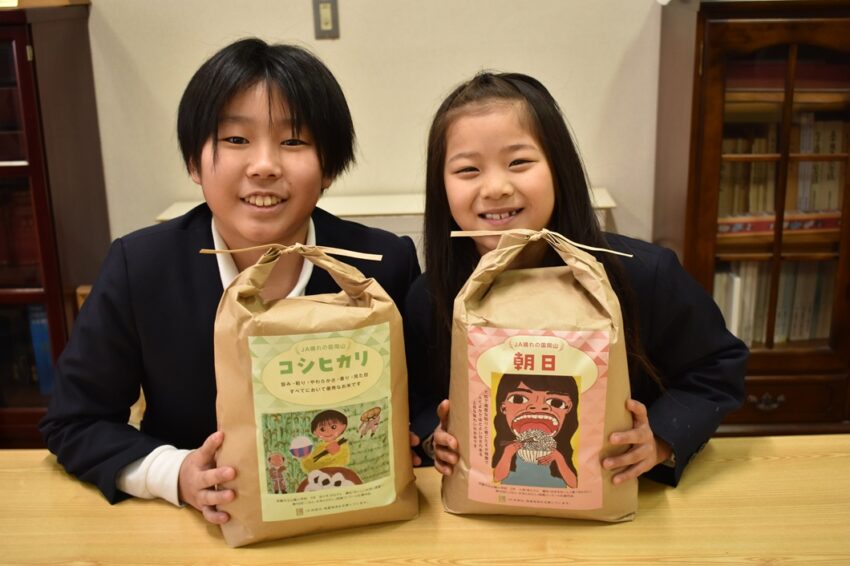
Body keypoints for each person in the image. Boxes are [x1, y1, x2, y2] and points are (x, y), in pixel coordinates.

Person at [39, 38, 421, 525]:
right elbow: (76, 421)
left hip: (355, 519)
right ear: (193, 162)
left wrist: (427, 432)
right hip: (202, 528)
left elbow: (425, 405)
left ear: (328, 166)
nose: (264, 165)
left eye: (293, 141)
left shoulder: (380, 264)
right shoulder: (142, 267)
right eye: (236, 140)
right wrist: (176, 474)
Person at [405, 72, 747, 487]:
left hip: (615, 497)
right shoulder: (430, 296)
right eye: (467, 169)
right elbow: (417, 396)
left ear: (559, 167)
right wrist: (434, 436)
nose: (495, 187)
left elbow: (717, 368)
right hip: (484, 505)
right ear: (440, 187)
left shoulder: (641, 273)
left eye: (519, 162)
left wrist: (658, 438)